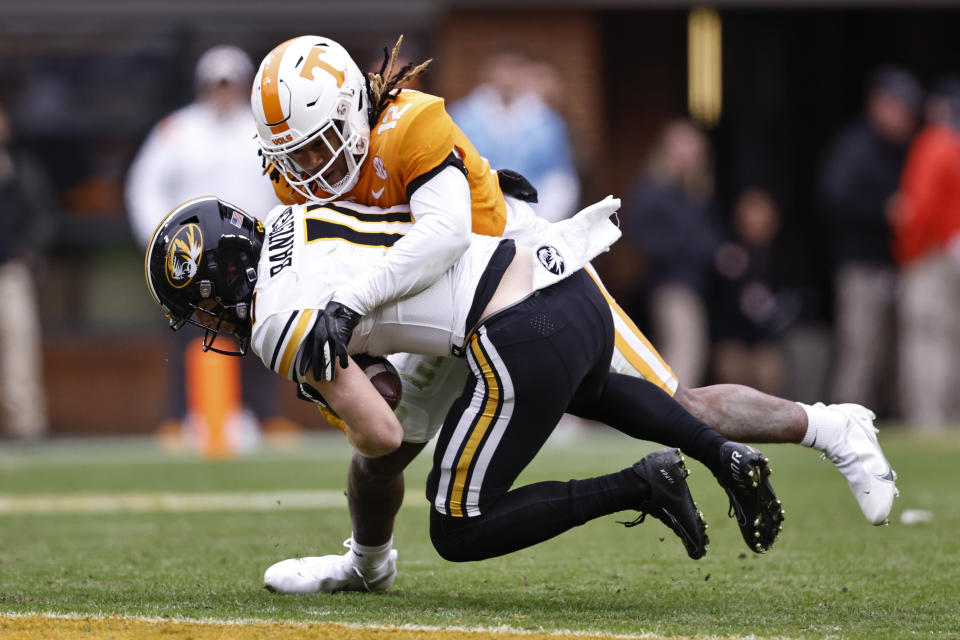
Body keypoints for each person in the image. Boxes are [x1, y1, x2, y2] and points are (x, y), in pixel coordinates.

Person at [248, 34, 898, 593]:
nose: (309, 169)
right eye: (294, 156)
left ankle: (829, 427)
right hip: (443, 301)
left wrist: (350, 304)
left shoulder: (409, 124)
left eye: (319, 145)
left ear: (353, 111)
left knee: (680, 402)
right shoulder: (295, 179)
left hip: (522, 275)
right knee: (379, 457)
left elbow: (442, 233)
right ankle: (366, 565)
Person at [145, 196, 787, 590]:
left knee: (457, 525)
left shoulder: (272, 319)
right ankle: (719, 451)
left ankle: (643, 484)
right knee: (594, 389)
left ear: (218, 282)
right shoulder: (294, 216)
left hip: (518, 328)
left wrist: (333, 395)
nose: (207, 324)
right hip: (563, 277)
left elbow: (383, 436)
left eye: (197, 307)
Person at [125, 45, 283, 440]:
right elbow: (144, 186)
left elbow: (283, 189)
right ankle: (178, 419)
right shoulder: (177, 131)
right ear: (202, 86)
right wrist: (158, 243)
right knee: (185, 332)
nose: (223, 92)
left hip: (251, 253)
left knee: (259, 329)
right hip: (191, 257)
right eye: (216, 84)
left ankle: (266, 417)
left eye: (230, 84)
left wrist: (279, 239)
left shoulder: (263, 131)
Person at [817, 65, 922, 415]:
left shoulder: (909, 148)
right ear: (877, 104)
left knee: (895, 355)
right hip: (861, 267)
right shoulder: (855, 145)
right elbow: (833, 199)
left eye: (908, 109)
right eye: (897, 106)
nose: (904, 116)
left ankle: (889, 427)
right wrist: (884, 210)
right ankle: (844, 424)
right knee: (860, 351)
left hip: (897, 265)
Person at [621, 119, 724, 387]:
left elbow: (710, 238)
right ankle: (673, 414)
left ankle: (670, 414)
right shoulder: (654, 191)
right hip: (669, 285)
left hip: (694, 285)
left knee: (688, 349)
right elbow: (643, 237)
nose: (690, 155)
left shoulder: (693, 193)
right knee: (684, 350)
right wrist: (695, 251)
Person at [892, 77, 960, 428]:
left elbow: (919, 207)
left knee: (926, 336)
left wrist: (909, 252)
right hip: (952, 251)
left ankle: (929, 419)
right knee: (950, 337)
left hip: (932, 255)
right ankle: (949, 418)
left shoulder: (936, 142)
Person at [448, 51, 580, 222]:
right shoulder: (462, 117)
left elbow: (558, 178)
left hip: (532, 215)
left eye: (513, 71)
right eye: (502, 70)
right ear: (488, 73)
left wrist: (543, 220)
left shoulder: (546, 120)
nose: (507, 78)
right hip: (473, 216)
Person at [709, 188, 802, 396]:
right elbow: (717, 306)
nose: (756, 221)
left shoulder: (782, 259)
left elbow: (792, 303)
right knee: (732, 371)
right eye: (751, 214)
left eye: (762, 214)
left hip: (766, 343)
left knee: (769, 370)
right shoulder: (728, 256)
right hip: (732, 341)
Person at [0, 104, 55, 439]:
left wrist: (30, 249)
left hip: (10, 274)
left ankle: (27, 428)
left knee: (20, 354)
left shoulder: (20, 169)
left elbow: (45, 215)